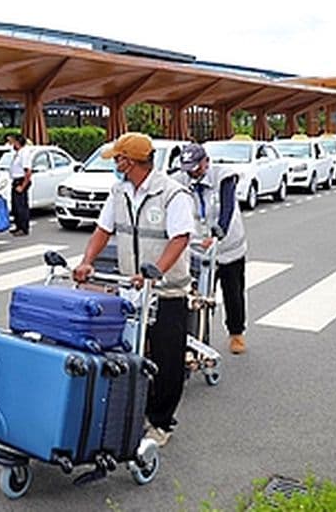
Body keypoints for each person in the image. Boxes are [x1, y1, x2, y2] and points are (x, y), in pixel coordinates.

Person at [73, 132, 195, 448]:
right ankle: (133, 411)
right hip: (131, 290)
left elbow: (180, 238)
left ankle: (161, 422)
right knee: (130, 354)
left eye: (117, 158)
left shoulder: (172, 194)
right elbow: (103, 230)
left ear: (129, 161)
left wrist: (155, 273)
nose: (115, 164)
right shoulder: (119, 192)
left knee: (167, 360)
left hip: (166, 291)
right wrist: (87, 261)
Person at [175, 143, 249, 355]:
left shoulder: (223, 177)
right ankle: (199, 337)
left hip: (228, 247)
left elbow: (227, 208)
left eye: (197, 167)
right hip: (198, 249)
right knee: (197, 297)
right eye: (189, 168)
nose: (193, 172)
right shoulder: (180, 180)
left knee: (232, 292)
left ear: (206, 161)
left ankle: (236, 333)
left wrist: (219, 233)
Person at [8, 134, 33, 235]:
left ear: (18, 143)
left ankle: (23, 228)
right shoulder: (18, 153)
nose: (12, 144)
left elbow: (28, 172)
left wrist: (23, 186)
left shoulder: (24, 153)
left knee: (21, 206)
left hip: (21, 181)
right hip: (15, 181)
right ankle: (18, 226)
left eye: (13, 142)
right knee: (16, 206)